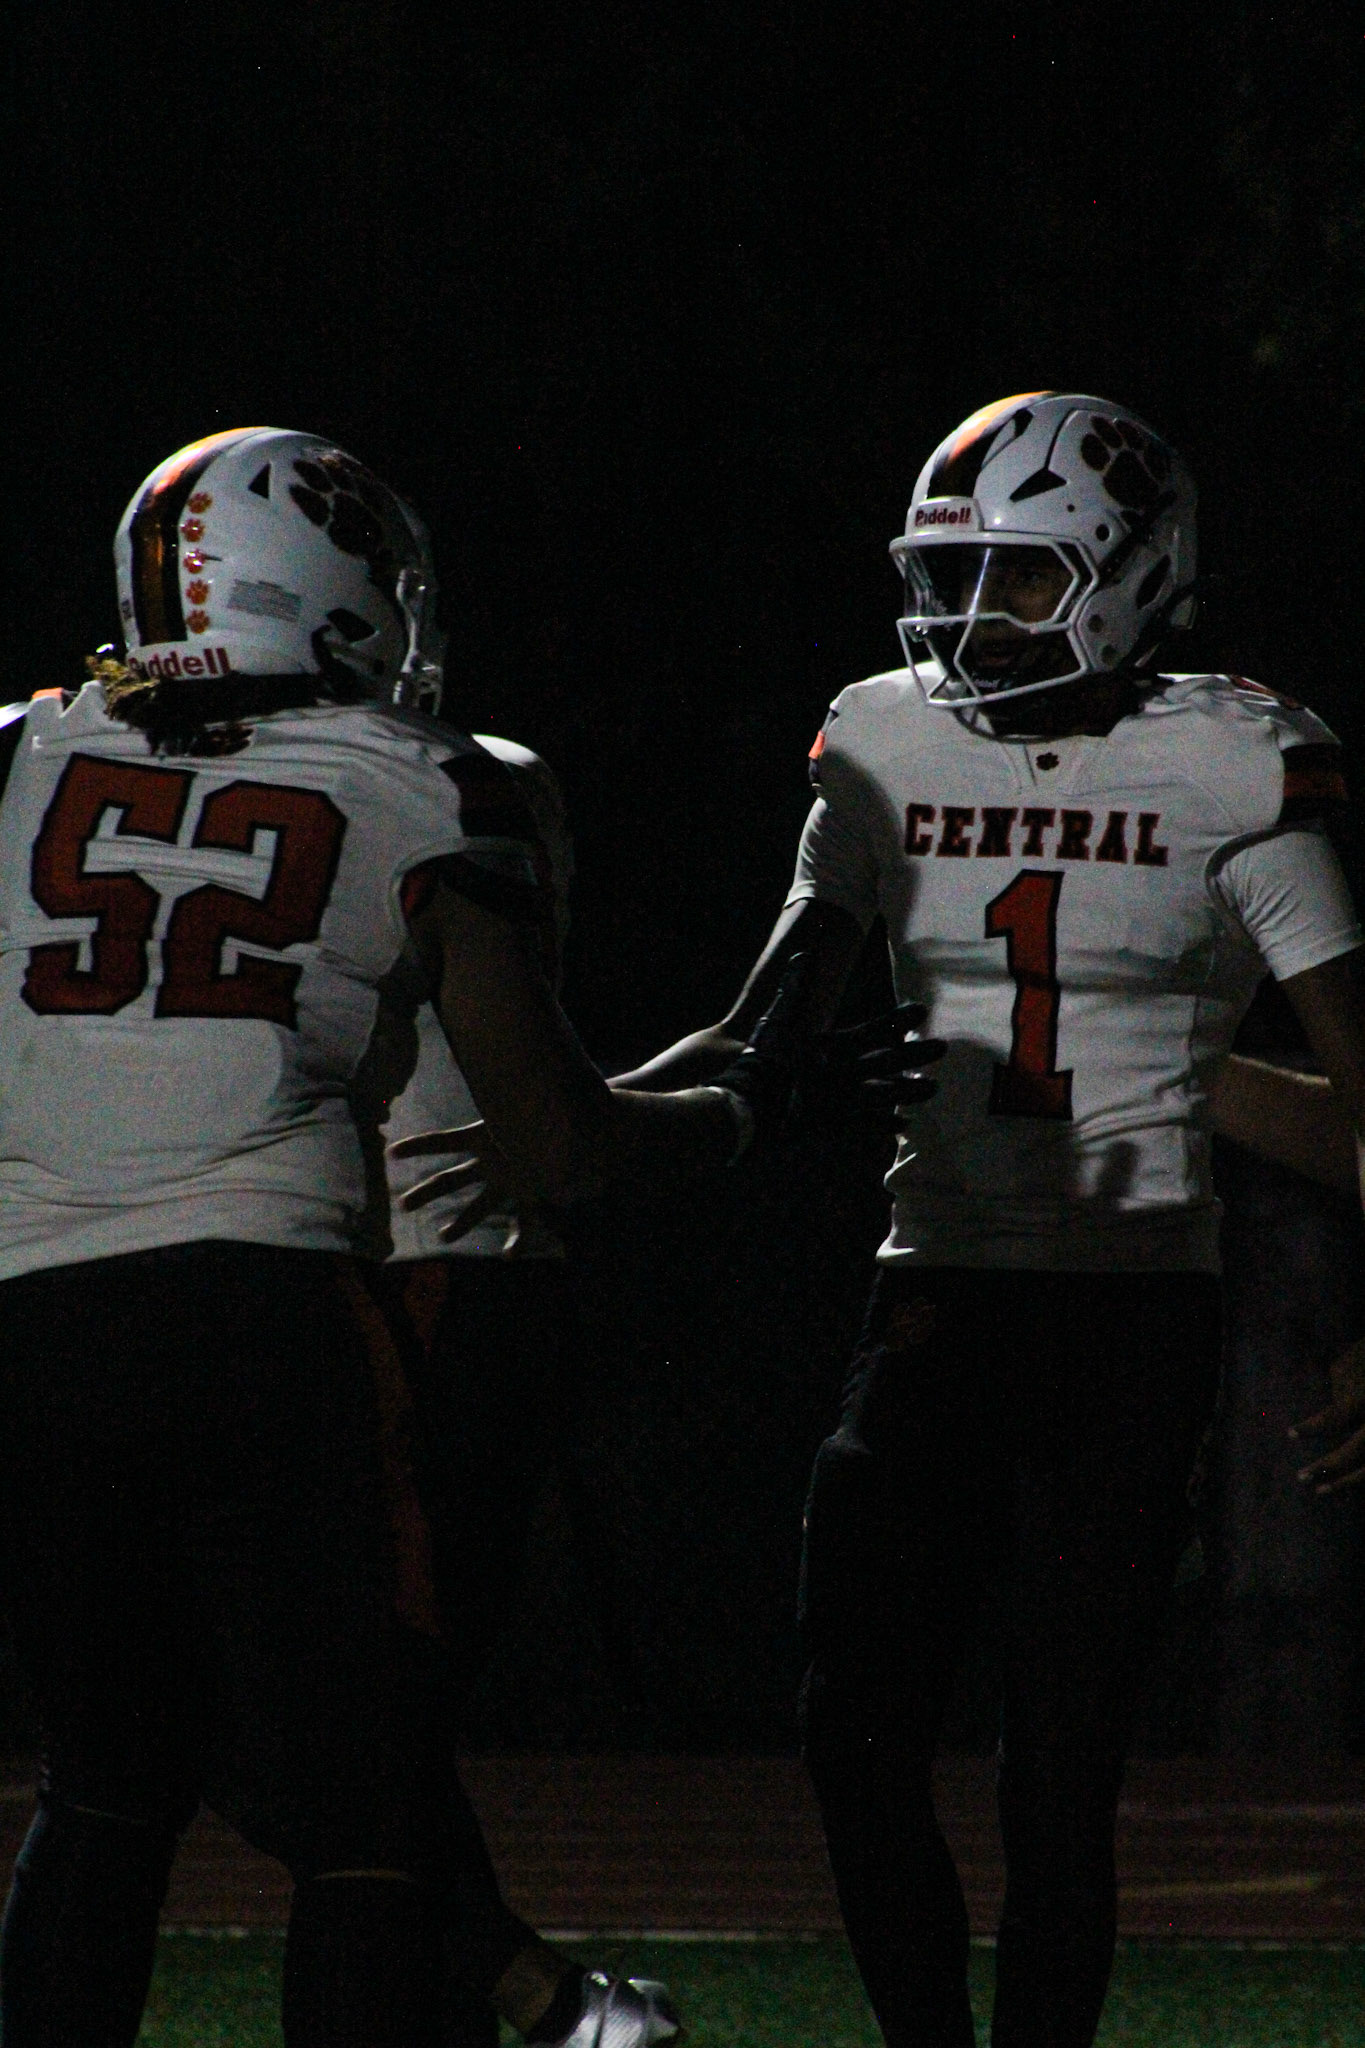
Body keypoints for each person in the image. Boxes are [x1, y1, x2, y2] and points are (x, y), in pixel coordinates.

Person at [404, 392, 1365, 2048]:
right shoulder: (879, 736)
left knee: (1058, 1775)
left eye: (1019, 575)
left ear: (1135, 572)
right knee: (852, 1742)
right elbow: (768, 1025)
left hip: (1127, 1310)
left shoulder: (1236, 757)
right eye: (952, 573)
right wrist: (594, 1124)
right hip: (930, 1288)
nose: (970, 615)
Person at [0, 426, 736, 2048]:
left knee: (107, 1786)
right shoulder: (428, 782)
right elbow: (558, 1143)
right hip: (267, 1315)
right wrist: (733, 1112)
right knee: (361, 1815)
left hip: (32, 1323)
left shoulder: (20, 750)